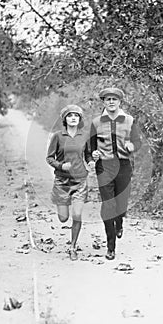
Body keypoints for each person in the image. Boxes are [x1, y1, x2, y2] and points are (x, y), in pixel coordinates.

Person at [90, 87, 142, 260]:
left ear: (120, 101)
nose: (111, 102)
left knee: (121, 203)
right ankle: (110, 246)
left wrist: (131, 146)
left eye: (114, 99)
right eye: (108, 99)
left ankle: (120, 221)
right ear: (103, 102)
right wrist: (93, 155)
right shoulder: (96, 122)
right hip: (104, 166)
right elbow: (89, 147)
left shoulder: (129, 120)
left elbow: (137, 142)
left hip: (123, 165)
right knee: (108, 205)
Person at [46, 104, 94, 261]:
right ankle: (62, 204)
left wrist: (92, 161)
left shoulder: (84, 136)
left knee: (77, 214)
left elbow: (88, 155)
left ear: (80, 119)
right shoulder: (58, 136)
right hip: (62, 181)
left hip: (80, 180)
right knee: (63, 218)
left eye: (76, 116)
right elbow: (49, 158)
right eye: (70, 115)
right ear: (65, 119)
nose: (73, 118)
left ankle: (73, 246)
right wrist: (61, 166)